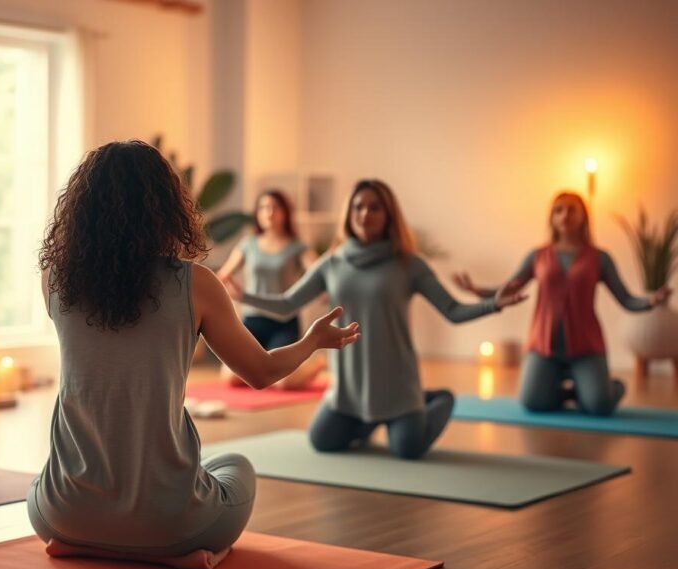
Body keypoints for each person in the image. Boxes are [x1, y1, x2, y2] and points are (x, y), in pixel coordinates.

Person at [28, 141, 360, 561]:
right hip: (170, 525)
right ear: (165, 207)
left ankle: (85, 541)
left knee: (38, 487)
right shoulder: (195, 283)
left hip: (61, 517)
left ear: (80, 210)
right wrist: (312, 340)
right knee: (237, 466)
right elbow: (260, 373)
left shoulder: (54, 280)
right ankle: (182, 553)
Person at [225, 179, 525, 459]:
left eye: (374, 207)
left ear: (388, 215)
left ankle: (431, 399)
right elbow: (286, 305)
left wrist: (493, 304)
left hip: (398, 388)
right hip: (349, 390)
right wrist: (242, 297)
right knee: (322, 442)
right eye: (358, 206)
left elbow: (453, 311)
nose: (365, 213)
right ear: (349, 214)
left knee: (408, 450)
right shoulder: (332, 263)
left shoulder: (409, 264)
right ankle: (366, 422)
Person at [453, 191, 670, 415]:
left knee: (599, 406)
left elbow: (626, 300)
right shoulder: (537, 256)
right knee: (531, 402)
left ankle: (608, 388)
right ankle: (573, 393)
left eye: (571, 209)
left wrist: (651, 301)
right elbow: (508, 289)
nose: (565, 214)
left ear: (584, 217)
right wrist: (475, 289)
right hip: (544, 348)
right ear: (552, 219)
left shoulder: (600, 258)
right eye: (559, 210)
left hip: (586, 347)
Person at [215, 190, 322, 387]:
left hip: (283, 323)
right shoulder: (248, 244)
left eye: (275, 207)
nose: (269, 212)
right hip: (252, 322)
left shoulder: (297, 246)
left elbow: (319, 273)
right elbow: (223, 275)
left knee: (283, 383)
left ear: (285, 213)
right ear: (257, 213)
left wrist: (321, 293)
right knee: (230, 377)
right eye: (264, 207)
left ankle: (316, 365)